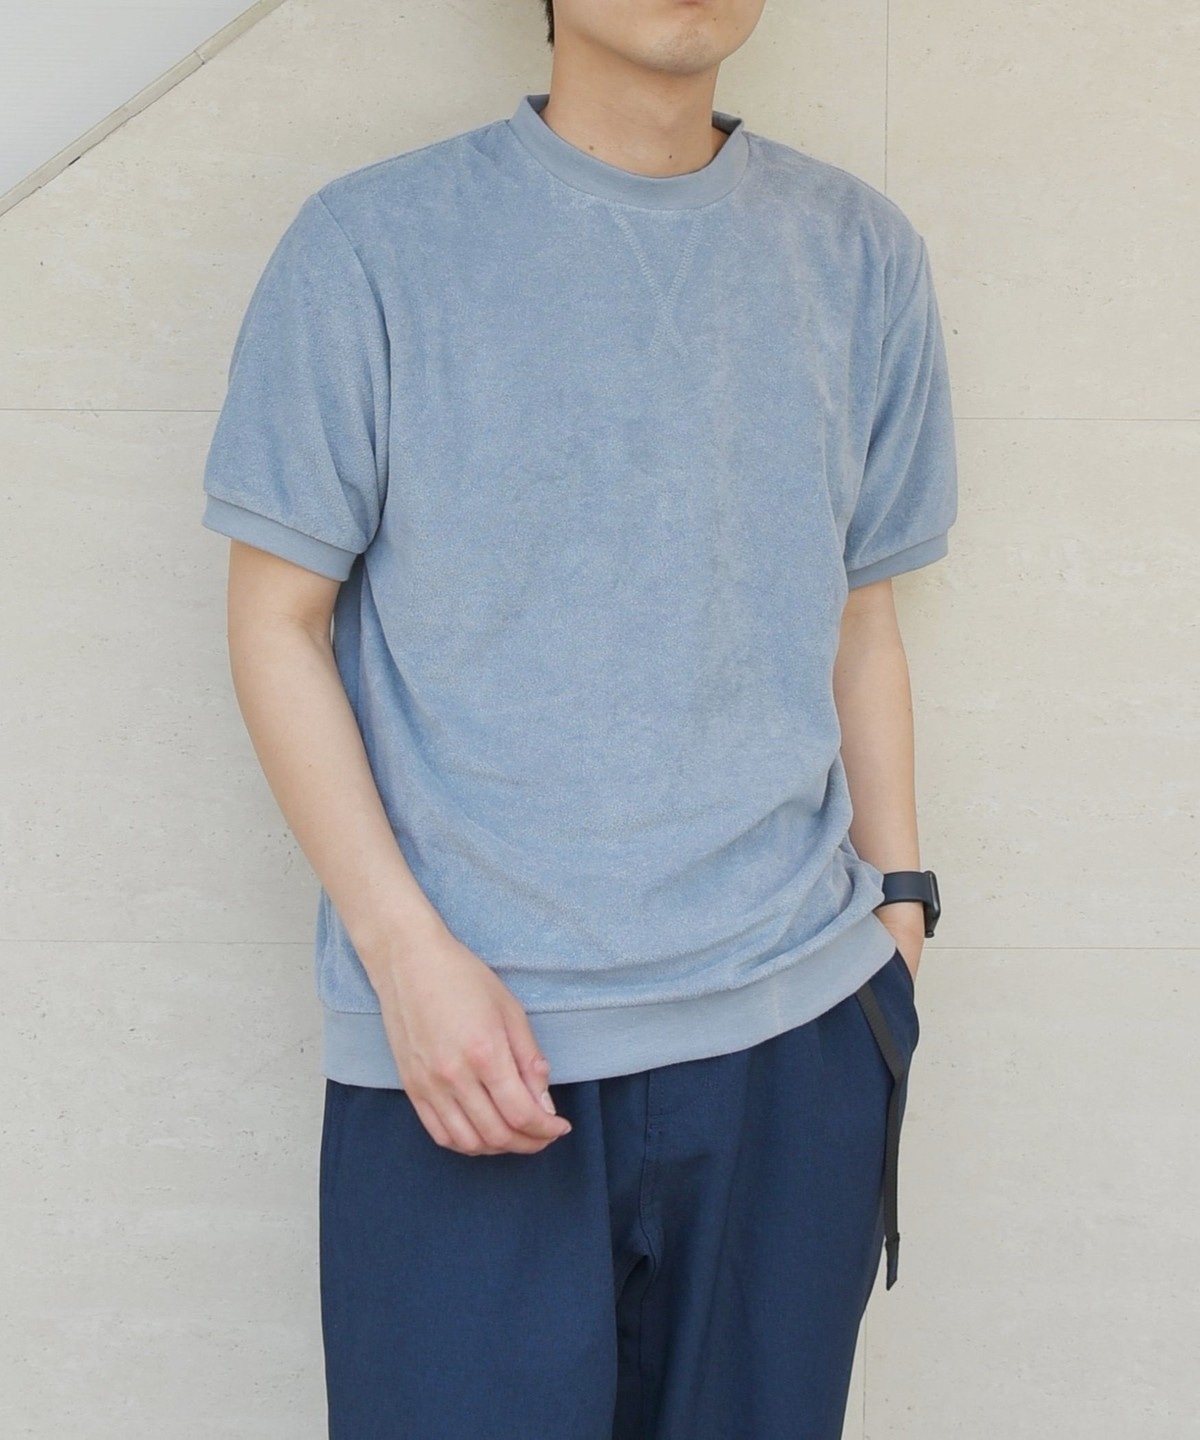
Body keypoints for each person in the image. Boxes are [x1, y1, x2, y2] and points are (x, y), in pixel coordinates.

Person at [201, 1, 957, 1434]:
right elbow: (274, 622)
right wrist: (405, 957)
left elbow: (862, 612)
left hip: (793, 1033)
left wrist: (901, 913)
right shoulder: (371, 243)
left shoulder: (860, 252)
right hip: (469, 1055)